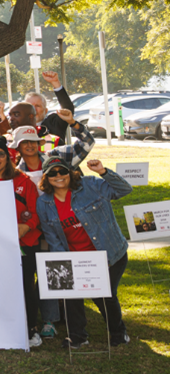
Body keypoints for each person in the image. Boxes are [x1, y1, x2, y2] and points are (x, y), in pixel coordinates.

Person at [35, 149, 132, 349]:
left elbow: (124, 190)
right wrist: (64, 265)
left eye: (62, 171)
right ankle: (78, 336)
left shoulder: (90, 186)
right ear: (46, 178)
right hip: (75, 258)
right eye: (52, 173)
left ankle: (118, 333)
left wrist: (103, 172)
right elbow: (53, 238)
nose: (58, 176)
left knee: (104, 294)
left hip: (109, 253)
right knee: (71, 295)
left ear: (70, 172)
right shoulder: (43, 203)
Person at [0, 137, 47, 346]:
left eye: (0, 154)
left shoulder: (23, 180)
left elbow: (36, 212)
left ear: (8, 157)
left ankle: (31, 328)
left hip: (23, 243)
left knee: (25, 286)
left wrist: (25, 227)